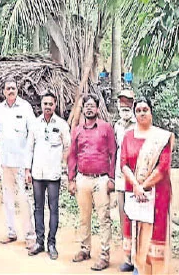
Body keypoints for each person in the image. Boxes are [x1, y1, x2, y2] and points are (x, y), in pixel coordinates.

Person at [121, 96, 174, 275]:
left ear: (151, 113)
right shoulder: (128, 136)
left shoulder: (161, 137)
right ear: (134, 114)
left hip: (157, 193)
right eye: (138, 110)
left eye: (145, 110)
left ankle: (156, 269)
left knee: (154, 231)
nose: (142, 113)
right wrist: (136, 186)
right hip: (133, 192)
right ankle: (138, 266)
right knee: (136, 228)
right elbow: (123, 164)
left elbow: (163, 167)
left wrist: (143, 186)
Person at [67, 94, 116, 271]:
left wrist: (111, 178)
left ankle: (104, 255)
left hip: (101, 180)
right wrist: (71, 179)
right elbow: (72, 155)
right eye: (86, 105)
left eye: (92, 106)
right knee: (83, 217)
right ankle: (84, 249)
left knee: (104, 218)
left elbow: (113, 153)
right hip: (82, 179)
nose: (89, 108)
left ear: (97, 108)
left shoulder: (106, 128)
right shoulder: (77, 130)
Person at [26, 91, 71, 260]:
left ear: (55, 105)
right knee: (38, 208)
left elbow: (68, 146)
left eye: (50, 104)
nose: (47, 107)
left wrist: (63, 164)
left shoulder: (62, 125)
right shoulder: (35, 124)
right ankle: (39, 242)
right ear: (41, 105)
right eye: (45, 104)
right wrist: (27, 170)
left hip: (53, 174)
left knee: (53, 209)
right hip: (37, 173)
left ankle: (51, 243)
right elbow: (29, 148)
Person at [0, 78, 36, 249]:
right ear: (3, 91)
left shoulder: (25, 107)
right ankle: (11, 232)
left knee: (24, 199)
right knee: (8, 198)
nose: (10, 90)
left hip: (21, 163)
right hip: (5, 162)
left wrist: (29, 165)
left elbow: (32, 134)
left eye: (13, 88)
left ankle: (30, 235)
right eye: (7, 88)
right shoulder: (0, 109)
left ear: (17, 90)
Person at [114, 89, 137, 272]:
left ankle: (138, 257)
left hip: (136, 181)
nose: (125, 106)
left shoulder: (139, 125)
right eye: (122, 103)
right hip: (120, 179)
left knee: (137, 218)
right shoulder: (117, 126)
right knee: (124, 219)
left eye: (128, 103)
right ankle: (128, 257)